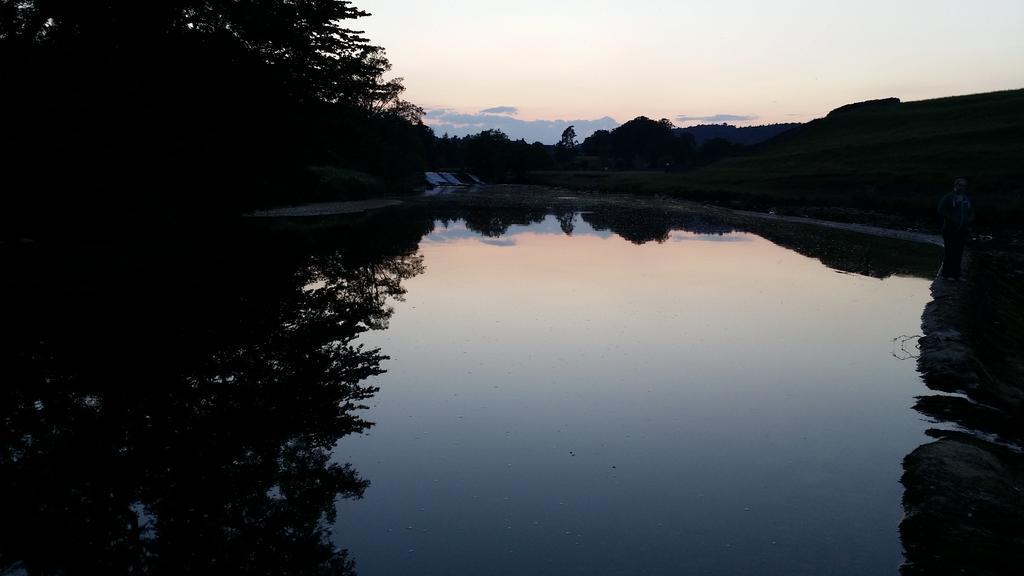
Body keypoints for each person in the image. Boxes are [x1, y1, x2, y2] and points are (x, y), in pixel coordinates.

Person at [937, 178, 974, 279]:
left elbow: (971, 212)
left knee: (959, 252)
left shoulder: (967, 199)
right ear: (955, 186)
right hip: (949, 229)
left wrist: (969, 220)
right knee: (949, 251)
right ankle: (946, 274)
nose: (962, 187)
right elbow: (940, 210)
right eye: (960, 185)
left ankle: (956, 274)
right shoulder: (948, 197)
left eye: (964, 185)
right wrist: (951, 219)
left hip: (963, 230)